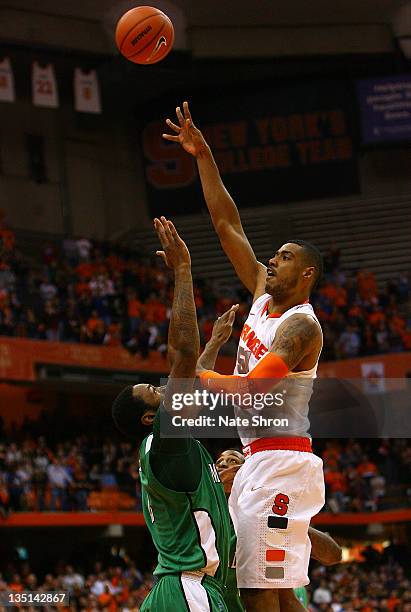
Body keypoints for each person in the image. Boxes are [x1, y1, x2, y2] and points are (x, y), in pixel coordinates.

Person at [164, 103, 325, 611]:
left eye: (284, 258)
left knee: (259, 591)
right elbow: (225, 223)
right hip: (260, 457)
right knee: (269, 588)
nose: (272, 261)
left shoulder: (300, 325)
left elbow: (254, 389)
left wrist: (198, 375)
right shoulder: (260, 292)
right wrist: (203, 154)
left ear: (306, 276)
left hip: (282, 459)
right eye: (273, 255)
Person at [112, 216, 238, 612]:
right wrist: (183, 270)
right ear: (150, 418)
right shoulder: (166, 443)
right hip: (188, 590)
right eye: (153, 391)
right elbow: (182, 360)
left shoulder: (165, 446)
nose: (162, 386)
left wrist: (215, 345)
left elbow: (191, 385)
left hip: (178, 590)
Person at [215, 449, 342, 611]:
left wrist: (291, 525)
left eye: (233, 461)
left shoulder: (264, 520)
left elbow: (334, 555)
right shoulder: (206, 516)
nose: (225, 464)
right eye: (219, 463)